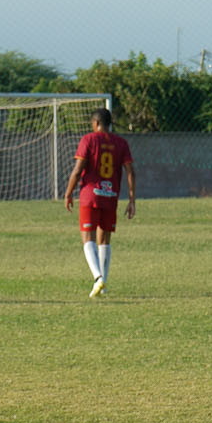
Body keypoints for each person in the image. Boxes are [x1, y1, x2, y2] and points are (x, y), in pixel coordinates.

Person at [63, 106, 135, 297]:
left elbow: (78, 170)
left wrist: (68, 193)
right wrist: (132, 199)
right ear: (110, 124)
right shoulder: (121, 143)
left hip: (90, 195)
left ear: (95, 123)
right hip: (111, 196)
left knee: (88, 238)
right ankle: (103, 285)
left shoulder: (89, 139)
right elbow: (130, 172)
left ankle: (98, 278)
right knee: (105, 240)